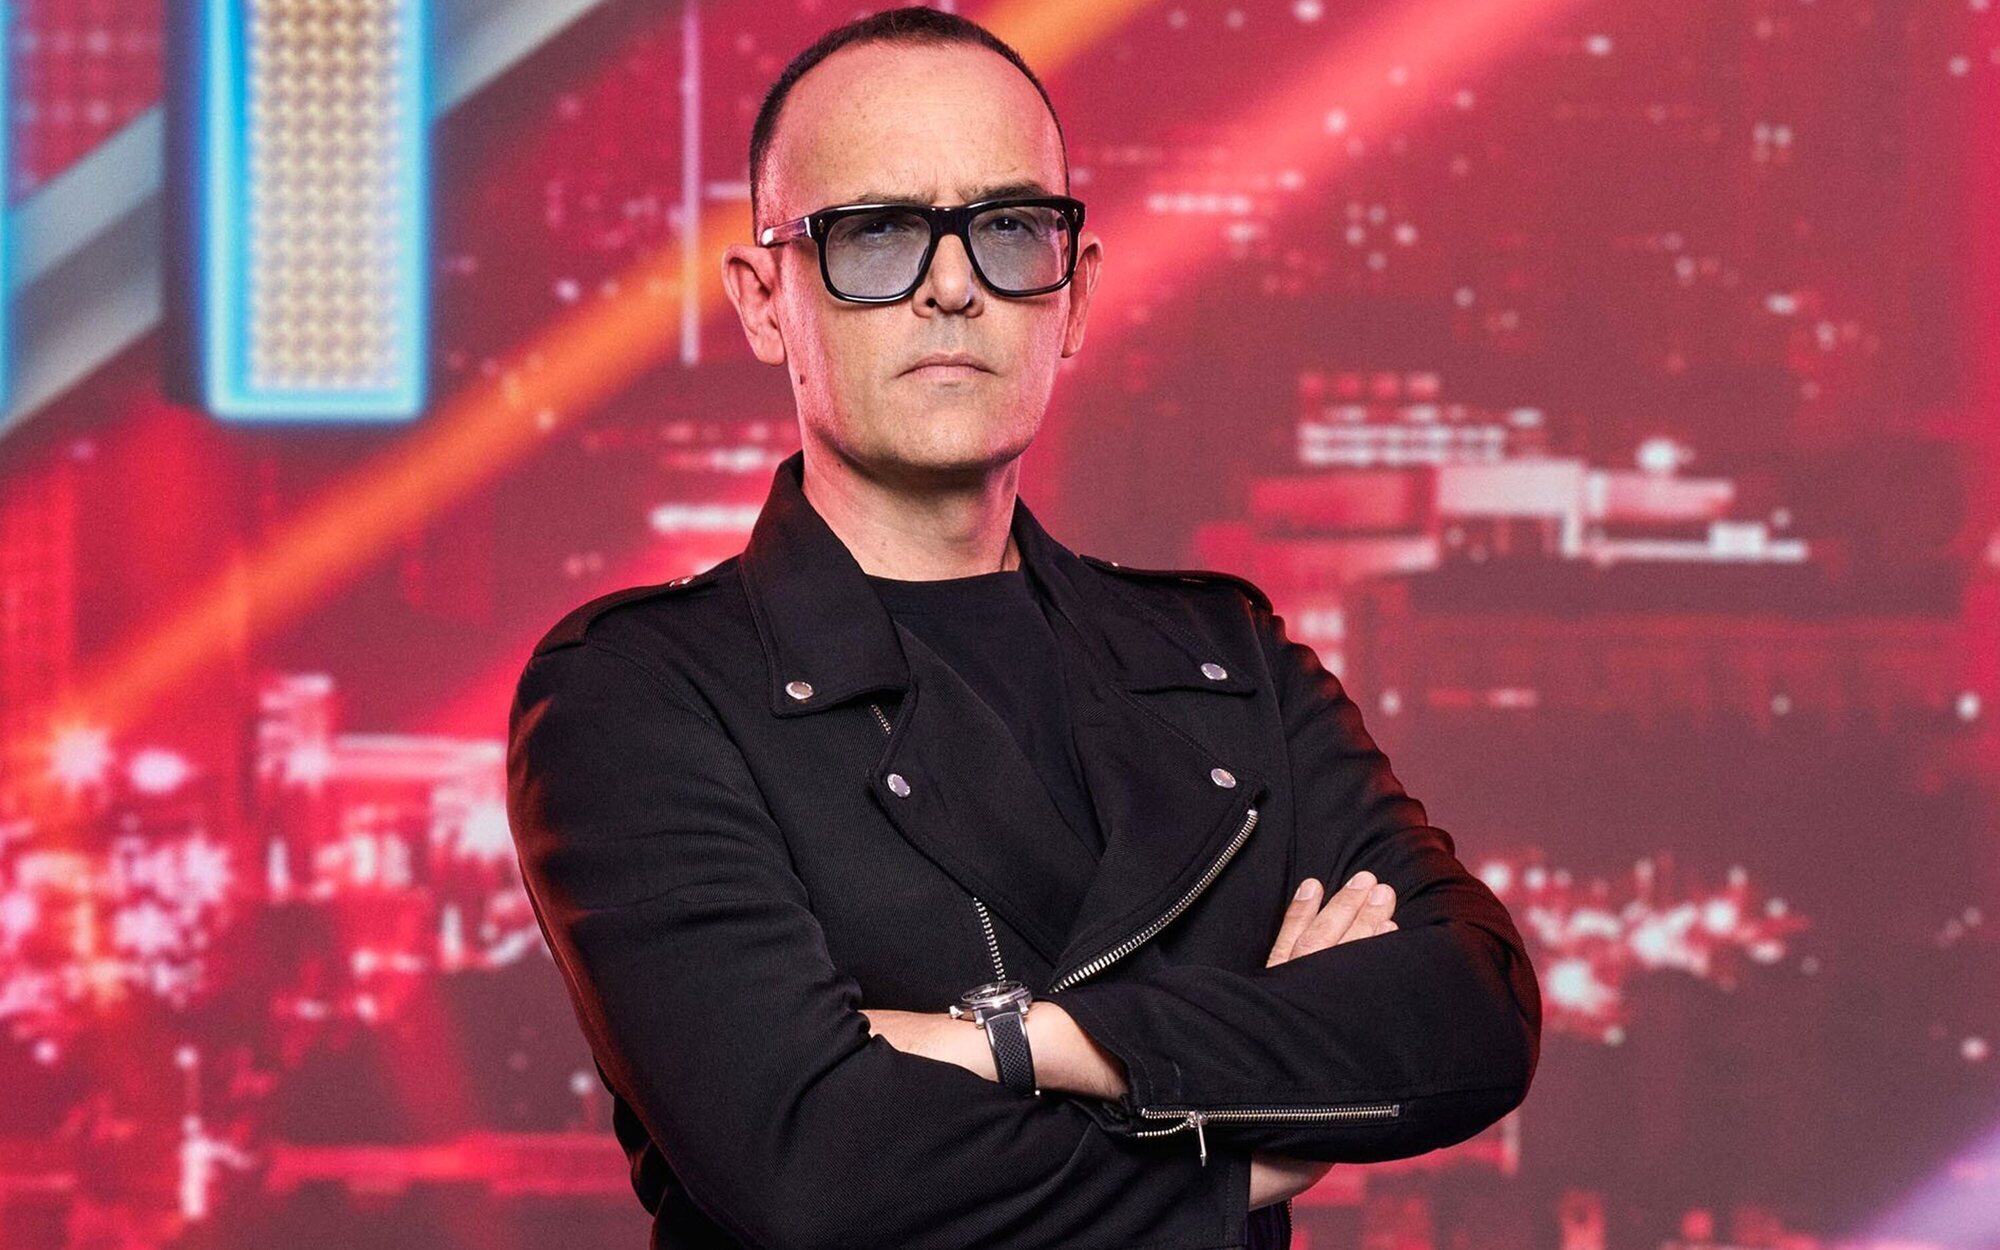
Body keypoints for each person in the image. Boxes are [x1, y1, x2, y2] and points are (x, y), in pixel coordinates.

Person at [504, 9, 1541, 1250]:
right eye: (875, 232)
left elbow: (1471, 1011)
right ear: (764, 300)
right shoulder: (636, 694)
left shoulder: (1227, 659)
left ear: (1074, 292)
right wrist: (1255, 1133)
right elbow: (815, 1169)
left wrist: (1017, 1039)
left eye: (1005, 229)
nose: (951, 285)